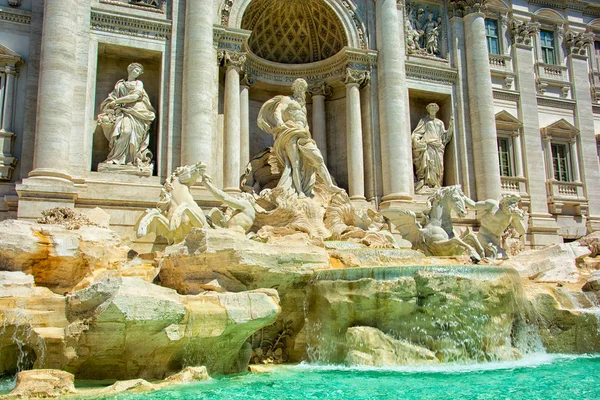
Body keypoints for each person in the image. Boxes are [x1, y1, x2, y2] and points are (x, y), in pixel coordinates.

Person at [257, 78, 341, 197]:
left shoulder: (303, 107)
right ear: (294, 88)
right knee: (294, 163)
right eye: (299, 87)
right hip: (290, 131)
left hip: (303, 135)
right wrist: (280, 122)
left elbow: (305, 124)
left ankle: (330, 185)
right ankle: (299, 191)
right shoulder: (287, 99)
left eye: (303, 88)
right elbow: (278, 110)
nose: (301, 90)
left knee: (318, 158)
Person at [97, 62, 155, 167]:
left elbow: (135, 97)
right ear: (130, 70)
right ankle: (116, 158)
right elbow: (112, 97)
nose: (137, 73)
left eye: (139, 71)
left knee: (131, 134)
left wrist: (116, 101)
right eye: (136, 70)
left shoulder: (139, 83)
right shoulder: (120, 85)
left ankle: (131, 160)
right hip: (123, 112)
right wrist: (111, 104)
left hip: (137, 112)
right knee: (124, 132)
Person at [466, 194, 526, 259]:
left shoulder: (512, 216)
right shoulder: (493, 205)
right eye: (511, 203)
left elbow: (522, 231)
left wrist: (517, 220)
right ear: (504, 202)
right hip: (484, 236)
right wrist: (462, 197)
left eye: (515, 204)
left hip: (496, 240)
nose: (514, 206)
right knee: (500, 257)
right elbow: (473, 205)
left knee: (495, 258)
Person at [411, 103, 453, 192]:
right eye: (431, 109)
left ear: (437, 110)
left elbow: (444, 136)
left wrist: (451, 127)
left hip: (438, 146)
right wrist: (416, 140)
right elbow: (417, 133)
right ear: (428, 110)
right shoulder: (424, 121)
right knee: (429, 165)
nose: (432, 111)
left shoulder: (440, 122)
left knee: (439, 166)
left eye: (434, 109)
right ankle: (427, 184)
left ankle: (437, 185)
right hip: (428, 145)